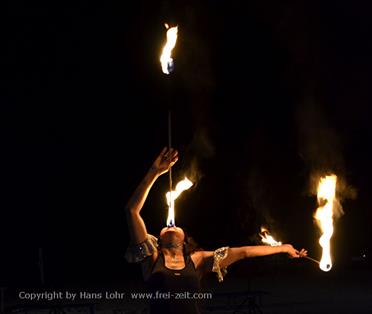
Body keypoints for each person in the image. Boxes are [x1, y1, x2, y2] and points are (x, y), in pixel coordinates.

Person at [125, 147, 307, 314]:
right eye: (167, 227)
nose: (172, 226)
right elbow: (132, 210)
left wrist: (284, 247)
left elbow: (244, 252)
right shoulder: (152, 258)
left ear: (185, 240)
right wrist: (155, 172)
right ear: (158, 239)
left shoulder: (198, 260)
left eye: (177, 227)